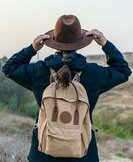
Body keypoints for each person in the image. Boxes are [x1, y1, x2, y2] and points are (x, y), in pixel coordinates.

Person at [2, 15, 132, 162]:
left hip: (42, 155)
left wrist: (33, 48)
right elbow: (123, 71)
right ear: (81, 43)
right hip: (84, 155)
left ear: (53, 42)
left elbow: (9, 68)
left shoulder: (39, 71)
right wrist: (105, 43)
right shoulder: (94, 73)